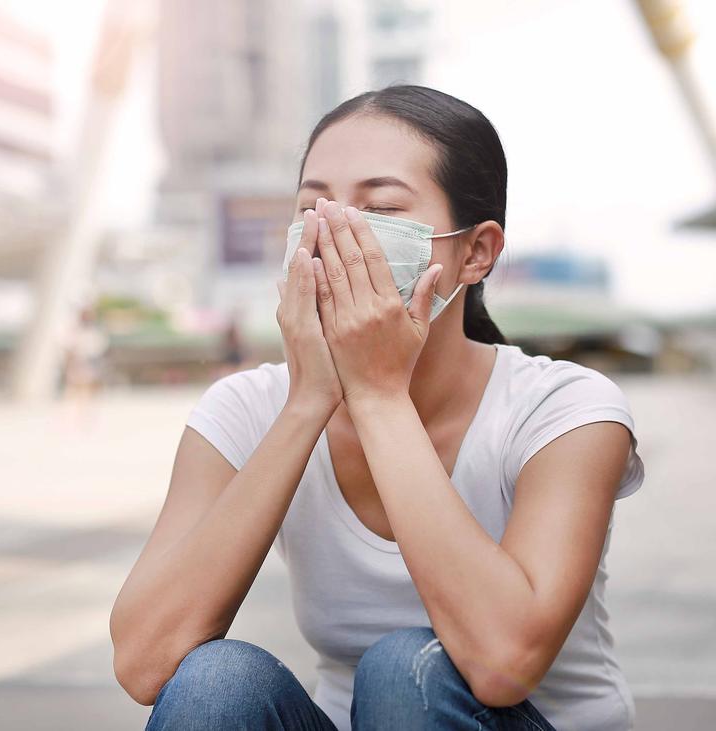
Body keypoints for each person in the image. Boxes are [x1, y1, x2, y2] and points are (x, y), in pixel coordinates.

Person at [109, 85, 645, 731]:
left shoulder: (563, 408)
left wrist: (379, 397)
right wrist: (309, 401)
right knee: (216, 682)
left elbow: (504, 663)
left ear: (475, 251)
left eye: (381, 207)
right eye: (314, 207)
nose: (334, 232)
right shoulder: (248, 408)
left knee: (405, 667)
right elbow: (146, 663)